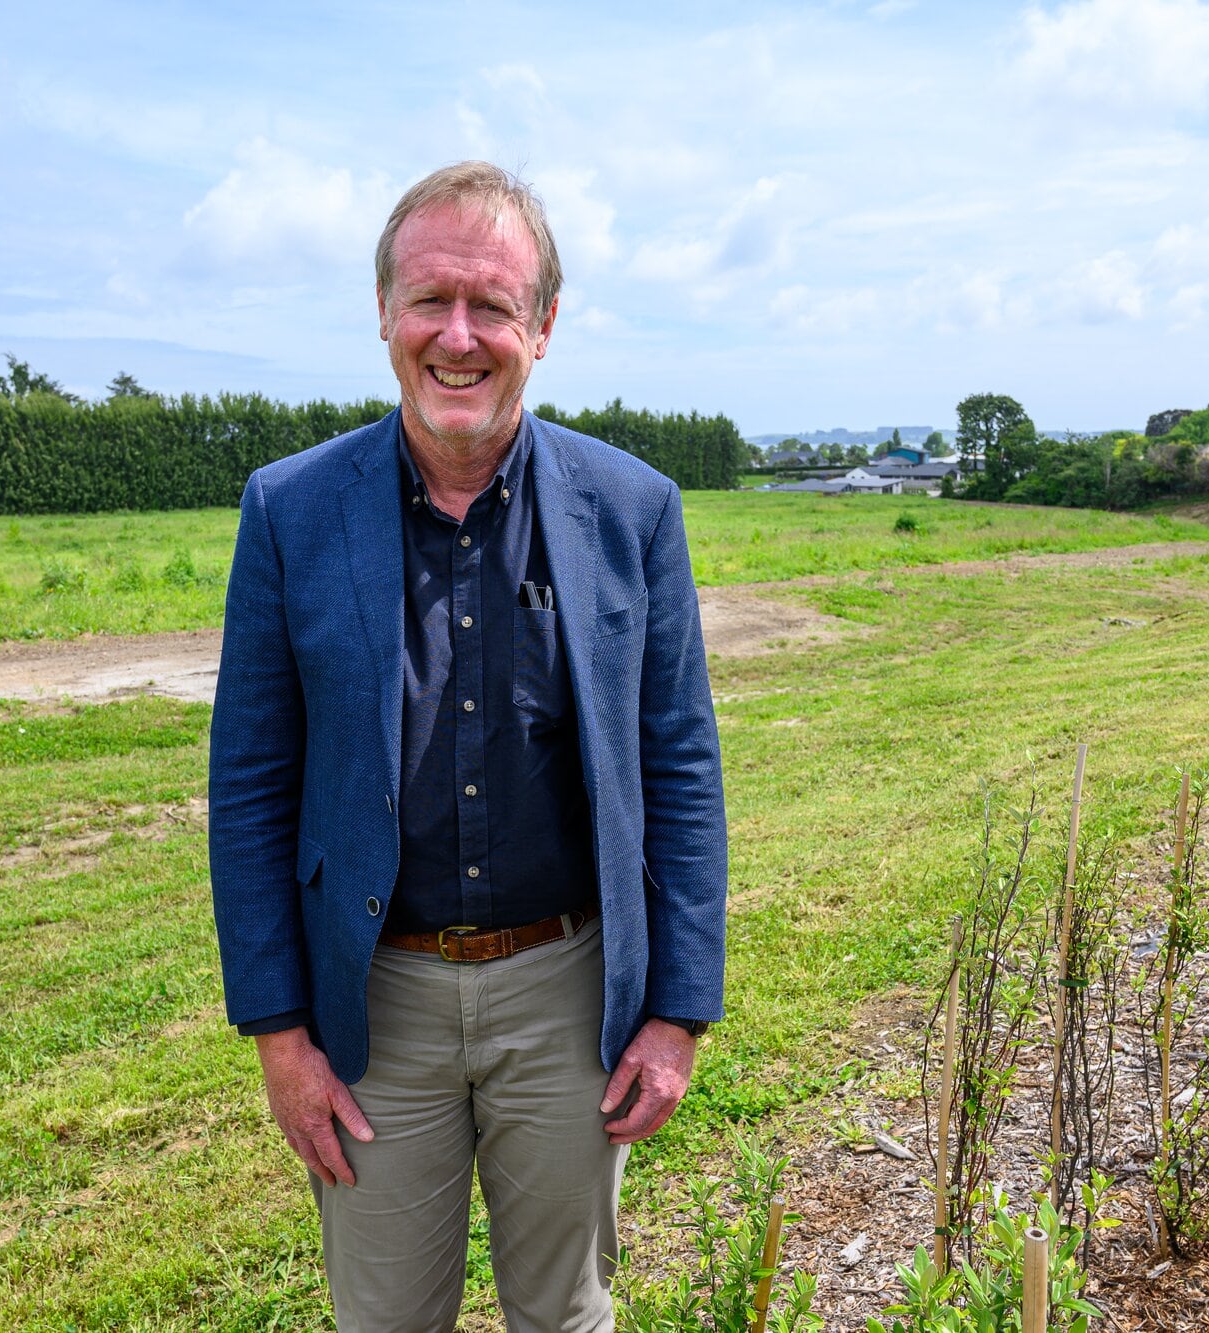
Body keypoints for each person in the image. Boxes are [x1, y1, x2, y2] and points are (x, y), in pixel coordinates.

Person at [207, 161, 728, 1333]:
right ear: (384, 314)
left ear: (541, 327)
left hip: (568, 988)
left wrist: (677, 1011)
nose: (458, 335)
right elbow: (248, 787)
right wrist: (280, 1035)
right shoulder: (289, 510)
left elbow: (679, 766)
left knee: (566, 1314)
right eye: (429, 299)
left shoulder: (631, 508)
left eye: (491, 305)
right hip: (370, 1000)